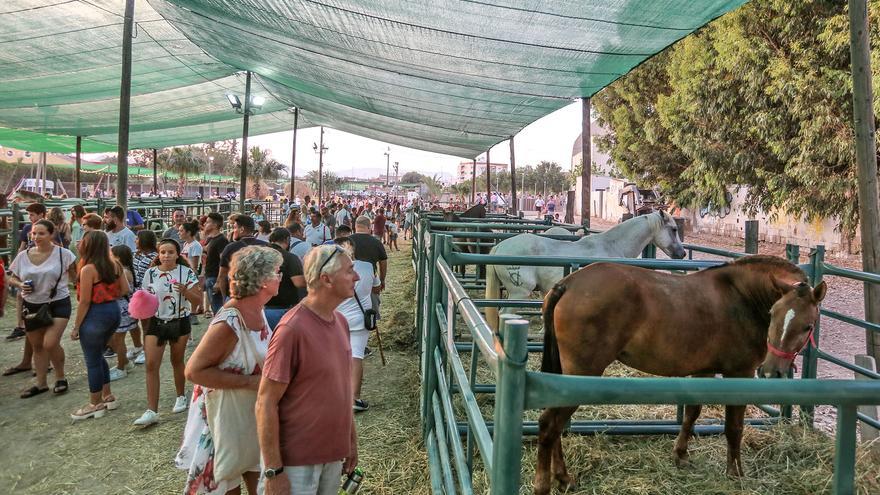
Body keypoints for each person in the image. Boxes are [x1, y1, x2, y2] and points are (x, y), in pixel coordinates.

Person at [176, 246, 283, 495]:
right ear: (262, 279)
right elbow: (193, 371)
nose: (280, 277)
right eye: (277, 272)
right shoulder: (229, 322)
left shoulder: (258, 310)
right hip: (224, 418)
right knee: (227, 481)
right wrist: (250, 382)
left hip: (248, 414)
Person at [256, 245, 359, 495]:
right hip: (297, 462)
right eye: (350, 271)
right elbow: (265, 401)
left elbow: (341, 389)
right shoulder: (292, 329)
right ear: (326, 279)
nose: (356, 277)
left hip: (332, 453)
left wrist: (350, 439)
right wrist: (273, 471)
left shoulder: (341, 322)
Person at [134, 238, 201, 426]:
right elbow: (144, 299)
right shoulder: (151, 274)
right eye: (162, 252)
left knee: (176, 360)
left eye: (170, 252)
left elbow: (198, 301)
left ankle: (180, 396)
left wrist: (184, 291)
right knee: (151, 364)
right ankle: (151, 410)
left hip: (179, 321)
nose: (166, 255)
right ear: (158, 254)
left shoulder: (186, 273)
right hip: (156, 322)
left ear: (177, 254)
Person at [9, 219, 77, 398]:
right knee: (37, 345)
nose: (36, 237)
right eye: (34, 233)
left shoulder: (64, 254)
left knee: (50, 342)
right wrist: (20, 284)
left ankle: (60, 377)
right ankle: (41, 383)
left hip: (58, 302)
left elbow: (76, 275)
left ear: (51, 234)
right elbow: (12, 277)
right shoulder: (23, 256)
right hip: (31, 303)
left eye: (41, 233)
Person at [69, 231, 129, 420]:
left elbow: (84, 301)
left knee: (92, 360)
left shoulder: (88, 269)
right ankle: (108, 395)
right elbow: (125, 289)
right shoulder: (115, 265)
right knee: (99, 354)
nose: (79, 243)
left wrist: (76, 326)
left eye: (82, 241)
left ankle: (95, 404)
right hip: (113, 311)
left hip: (95, 314)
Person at [334, 238, 379, 412]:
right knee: (356, 356)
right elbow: (376, 288)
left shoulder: (331, 268)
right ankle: (354, 397)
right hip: (360, 318)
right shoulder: (367, 266)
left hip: (337, 317)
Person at [264, 228, 306, 330]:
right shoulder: (290, 258)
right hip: (282, 309)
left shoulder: (259, 255)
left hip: (259, 309)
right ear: (287, 239)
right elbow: (299, 283)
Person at [217, 215, 266, 300]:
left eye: (235, 227)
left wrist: (225, 298)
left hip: (236, 296)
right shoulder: (265, 246)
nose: (233, 231)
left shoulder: (231, 248)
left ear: (242, 229)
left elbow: (222, 276)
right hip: (260, 294)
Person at [128, 229, 158, 365]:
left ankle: (148, 351)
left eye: (137, 238)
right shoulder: (138, 255)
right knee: (139, 323)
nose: (135, 241)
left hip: (148, 294)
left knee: (148, 325)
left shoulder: (154, 257)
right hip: (137, 294)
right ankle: (141, 347)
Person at [107, 244, 136, 381]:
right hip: (124, 306)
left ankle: (121, 367)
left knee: (119, 339)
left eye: (111, 254)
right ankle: (124, 362)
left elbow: (125, 290)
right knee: (115, 338)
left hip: (122, 307)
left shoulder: (123, 271)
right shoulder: (125, 269)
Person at [350, 215, 387, 319]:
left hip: (349, 282)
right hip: (370, 281)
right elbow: (383, 262)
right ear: (369, 227)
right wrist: (382, 280)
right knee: (371, 311)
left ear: (355, 226)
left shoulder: (347, 241)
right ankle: (370, 323)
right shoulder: (376, 242)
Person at [201, 212, 230, 315]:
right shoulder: (210, 239)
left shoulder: (221, 240)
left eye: (207, 222)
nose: (205, 224)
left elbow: (224, 261)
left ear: (215, 224)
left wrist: (219, 281)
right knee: (215, 308)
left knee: (218, 309)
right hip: (209, 276)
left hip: (215, 277)